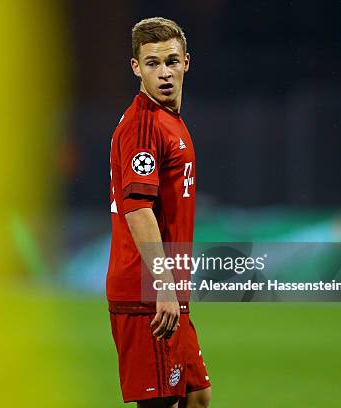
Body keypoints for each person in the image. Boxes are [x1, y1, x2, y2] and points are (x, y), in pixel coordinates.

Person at [107, 17, 211, 407]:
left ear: (187, 61)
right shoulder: (144, 126)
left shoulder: (170, 122)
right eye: (152, 63)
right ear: (136, 67)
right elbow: (137, 209)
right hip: (146, 292)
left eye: (171, 60)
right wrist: (164, 285)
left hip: (166, 291)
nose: (164, 72)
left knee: (197, 396)